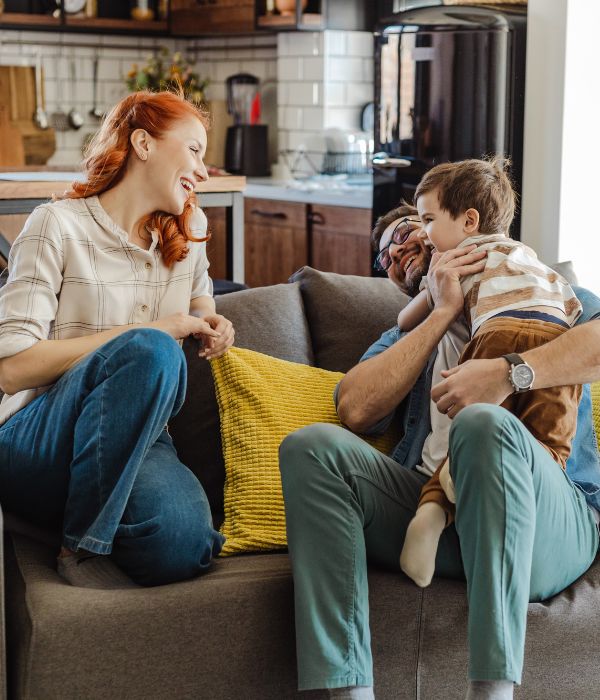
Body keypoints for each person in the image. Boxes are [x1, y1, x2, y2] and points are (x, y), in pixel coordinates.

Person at [279, 201, 600, 700]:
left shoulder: (547, 293)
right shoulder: (404, 333)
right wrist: (442, 311)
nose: (396, 252)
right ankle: (348, 693)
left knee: (483, 423)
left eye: (410, 230)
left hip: (547, 522)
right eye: (383, 256)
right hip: (435, 526)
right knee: (312, 448)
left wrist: (508, 371)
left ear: (453, 228)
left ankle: (492, 693)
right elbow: (356, 409)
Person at [0, 89, 235, 588]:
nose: (204, 169)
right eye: (193, 150)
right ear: (144, 144)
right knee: (151, 350)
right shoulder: (56, 225)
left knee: (185, 546)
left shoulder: (189, 229)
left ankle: (56, 520)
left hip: (134, 440)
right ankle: (80, 545)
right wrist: (148, 332)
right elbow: (12, 369)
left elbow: (200, 303)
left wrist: (212, 322)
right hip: (38, 436)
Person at [398, 158, 582, 589]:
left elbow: (408, 320)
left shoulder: (456, 260)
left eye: (427, 219)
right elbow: (572, 309)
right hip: (554, 339)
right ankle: (535, 510)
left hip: (498, 333)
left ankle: (433, 508)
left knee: (472, 434)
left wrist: (432, 295)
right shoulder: (534, 260)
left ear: (469, 221)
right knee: (549, 444)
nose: (423, 234)